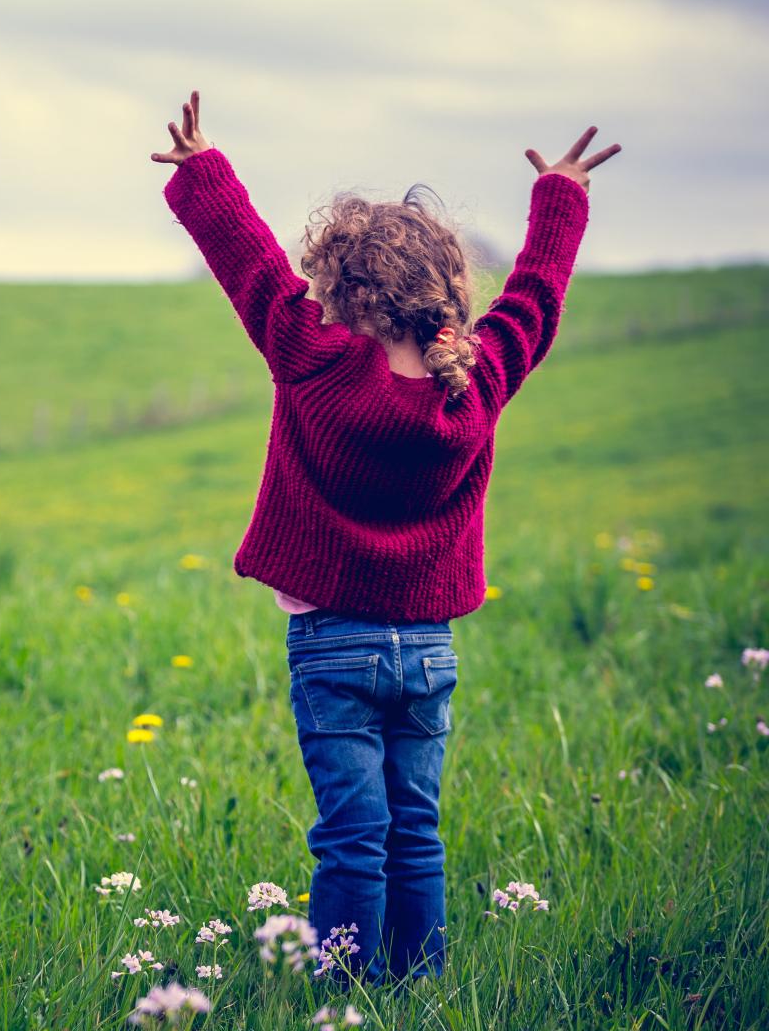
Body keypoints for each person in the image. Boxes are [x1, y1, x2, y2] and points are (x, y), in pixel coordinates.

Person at [153, 92, 619, 983]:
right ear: (446, 296)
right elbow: (536, 299)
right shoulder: (474, 382)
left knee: (351, 839)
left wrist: (203, 166)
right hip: (431, 651)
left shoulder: (312, 357)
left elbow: (247, 261)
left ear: (341, 292)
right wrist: (560, 195)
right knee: (416, 831)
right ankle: (422, 988)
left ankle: (343, 1000)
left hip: (332, 645)